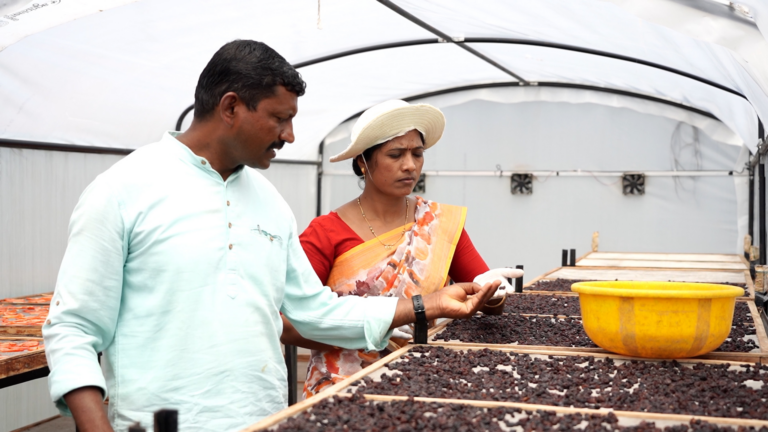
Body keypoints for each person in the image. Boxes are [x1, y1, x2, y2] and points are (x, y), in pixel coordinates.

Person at [42, 41, 500, 432]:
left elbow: (314, 311)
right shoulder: (123, 190)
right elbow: (74, 327)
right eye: (280, 118)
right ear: (230, 107)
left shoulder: (267, 200)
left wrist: (427, 305)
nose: (290, 134)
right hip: (164, 420)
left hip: (262, 418)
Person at [282, 100, 523, 398]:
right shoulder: (325, 233)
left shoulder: (439, 224)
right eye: (395, 154)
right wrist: (362, 333)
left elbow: (482, 300)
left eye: (417, 154)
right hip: (341, 389)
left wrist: (493, 292)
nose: (409, 165)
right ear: (362, 161)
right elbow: (289, 323)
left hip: (421, 384)